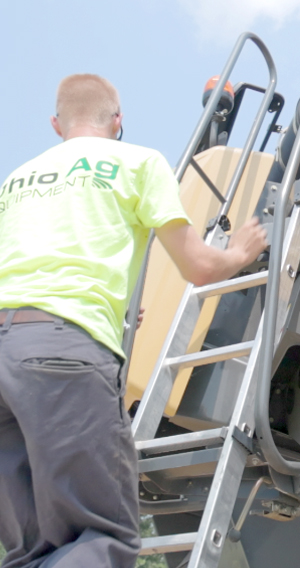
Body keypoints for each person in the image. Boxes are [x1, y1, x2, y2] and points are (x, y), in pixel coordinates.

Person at [0, 74, 267, 568]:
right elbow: (199, 267)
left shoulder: (17, 179)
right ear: (118, 119)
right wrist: (239, 252)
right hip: (63, 352)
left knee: (33, 550)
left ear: (56, 124)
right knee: (102, 540)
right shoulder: (138, 162)